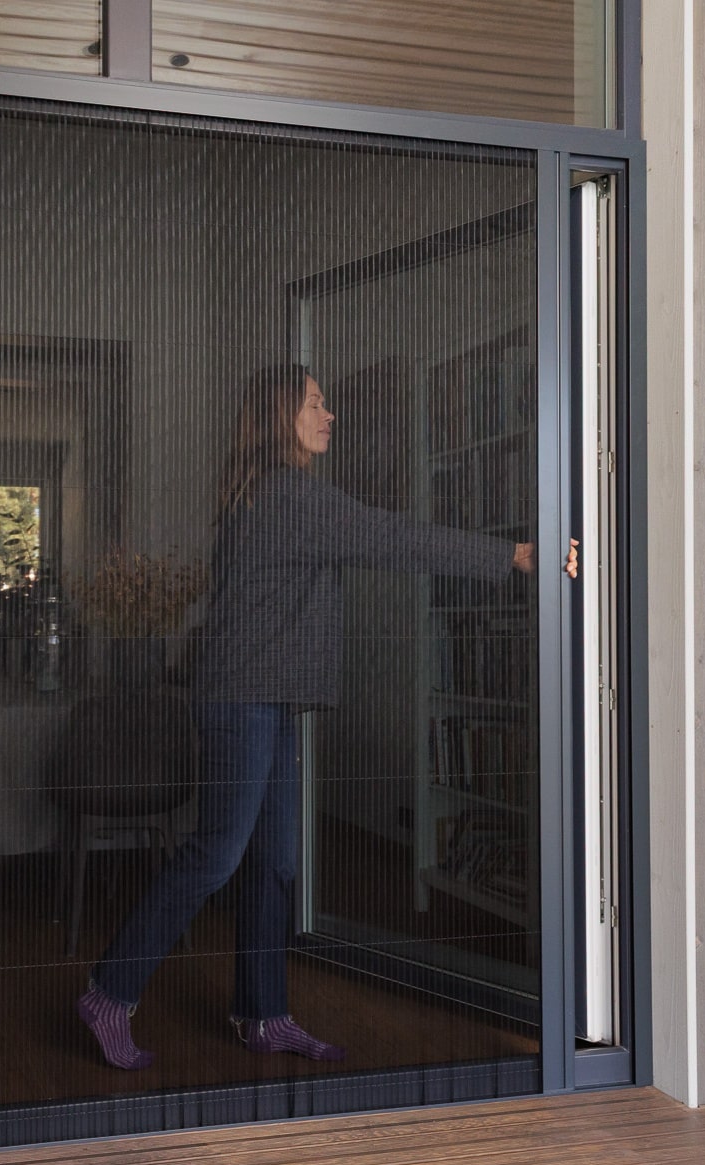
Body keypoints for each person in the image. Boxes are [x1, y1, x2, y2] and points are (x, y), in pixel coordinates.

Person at [77, 361, 563, 1071]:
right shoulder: (287, 495)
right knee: (215, 854)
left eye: (326, 403)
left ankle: (263, 1013)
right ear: (282, 416)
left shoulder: (263, 492)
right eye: (314, 403)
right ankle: (108, 993)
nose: (327, 414)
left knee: (272, 861)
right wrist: (512, 554)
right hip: (241, 700)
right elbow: (390, 536)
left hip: (264, 699)